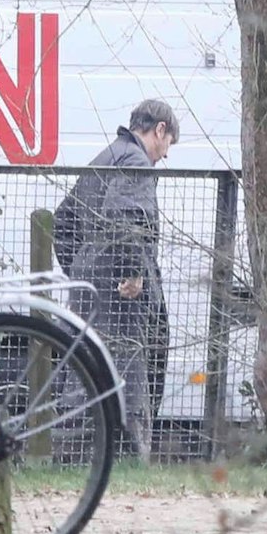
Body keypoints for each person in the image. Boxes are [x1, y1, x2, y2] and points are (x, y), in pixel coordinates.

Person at [55, 99, 179, 458]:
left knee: (84, 373)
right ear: (159, 130)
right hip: (122, 299)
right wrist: (131, 272)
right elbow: (127, 216)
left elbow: (63, 222)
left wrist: (81, 269)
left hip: (90, 288)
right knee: (130, 382)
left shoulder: (106, 156)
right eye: (168, 143)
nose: (165, 155)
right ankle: (127, 462)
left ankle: (71, 459)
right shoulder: (137, 161)